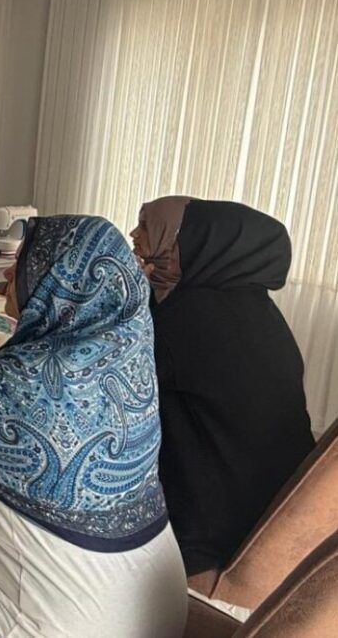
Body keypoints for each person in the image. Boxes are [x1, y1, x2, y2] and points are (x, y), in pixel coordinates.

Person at [0, 216, 186, 637]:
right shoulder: (130, 361)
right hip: (159, 610)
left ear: (61, 280)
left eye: (23, 261)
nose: (9, 271)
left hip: (70, 626)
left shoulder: (19, 382)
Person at [131, 197, 315, 575]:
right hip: (270, 513)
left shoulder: (188, 318)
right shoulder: (257, 311)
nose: (134, 234)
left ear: (193, 242)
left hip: (208, 534)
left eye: (148, 227)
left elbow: (111, 383)